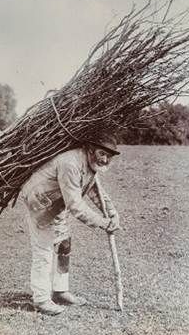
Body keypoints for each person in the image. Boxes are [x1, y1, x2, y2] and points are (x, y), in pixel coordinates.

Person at [18, 133, 122, 315]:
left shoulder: (90, 163)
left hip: (58, 203)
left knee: (64, 245)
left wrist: (112, 212)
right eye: (102, 154)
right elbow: (75, 206)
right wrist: (103, 223)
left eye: (109, 156)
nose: (105, 160)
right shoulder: (70, 163)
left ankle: (60, 291)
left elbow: (95, 190)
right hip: (40, 202)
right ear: (90, 149)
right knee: (44, 251)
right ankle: (41, 300)